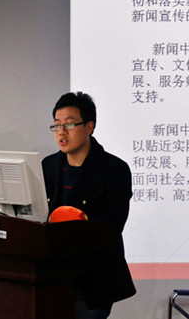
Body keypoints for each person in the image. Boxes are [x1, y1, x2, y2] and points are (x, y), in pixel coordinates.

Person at [42, 91, 136, 319]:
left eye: (69, 124)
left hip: (93, 277)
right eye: (56, 125)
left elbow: (111, 226)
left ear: (89, 127)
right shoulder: (48, 165)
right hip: (52, 275)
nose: (61, 132)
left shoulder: (114, 169)